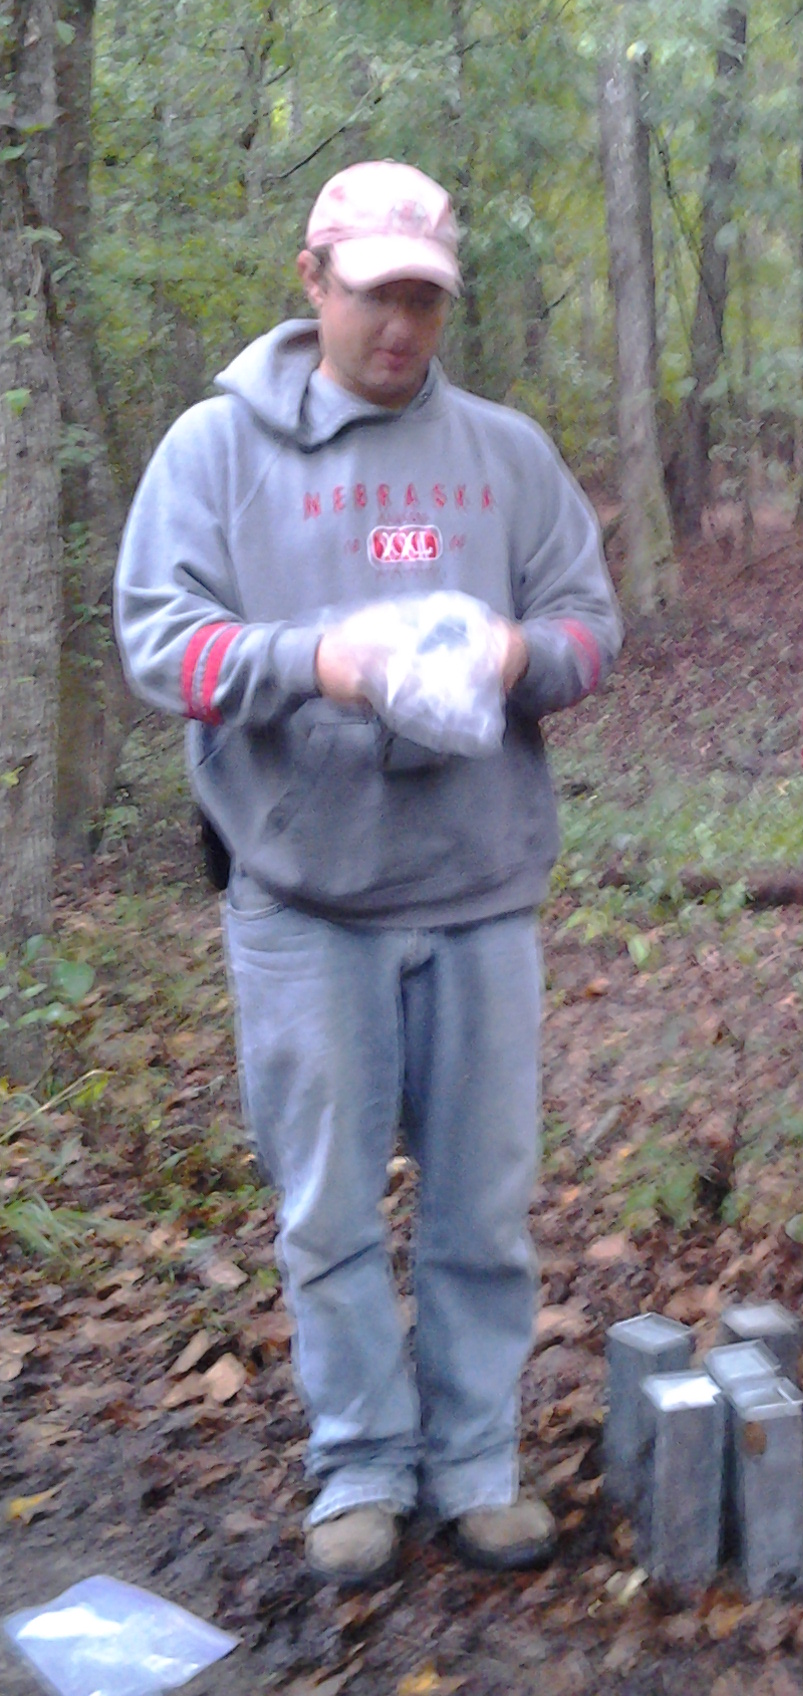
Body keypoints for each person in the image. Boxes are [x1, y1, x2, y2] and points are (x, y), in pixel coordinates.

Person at [115, 161, 622, 1586]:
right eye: (374, 292)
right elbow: (161, 641)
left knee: (480, 1204)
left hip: (477, 885)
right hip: (302, 892)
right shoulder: (218, 452)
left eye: (424, 298)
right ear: (313, 280)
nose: (399, 325)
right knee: (328, 1205)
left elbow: (593, 623)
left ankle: (475, 1462)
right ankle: (358, 1463)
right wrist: (316, 662)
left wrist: (520, 658)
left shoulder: (505, 455)